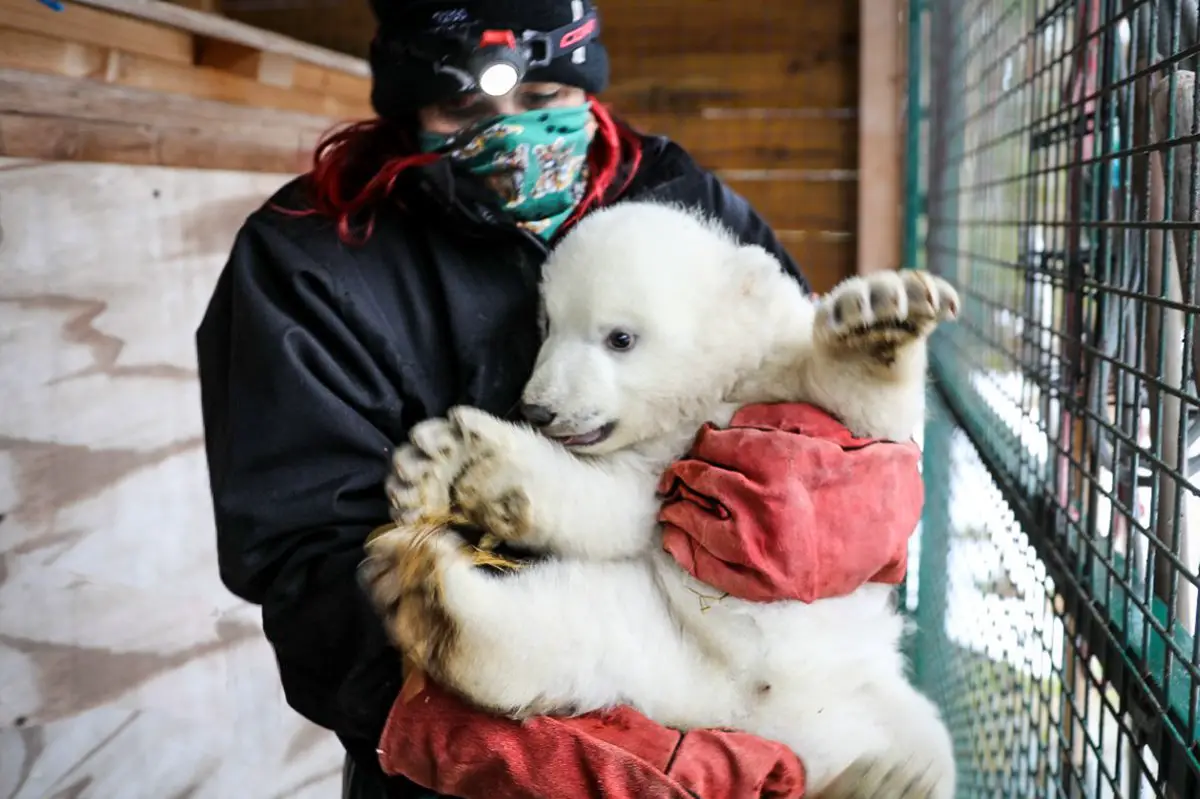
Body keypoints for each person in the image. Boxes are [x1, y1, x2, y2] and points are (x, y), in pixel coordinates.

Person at [196, 1, 813, 796]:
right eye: (464, 108)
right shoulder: (312, 260)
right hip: (487, 730)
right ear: (407, 105)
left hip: (723, 666)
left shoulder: (674, 199)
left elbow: (794, 382)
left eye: (545, 97)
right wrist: (510, 749)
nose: (514, 135)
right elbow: (305, 560)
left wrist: (829, 504)